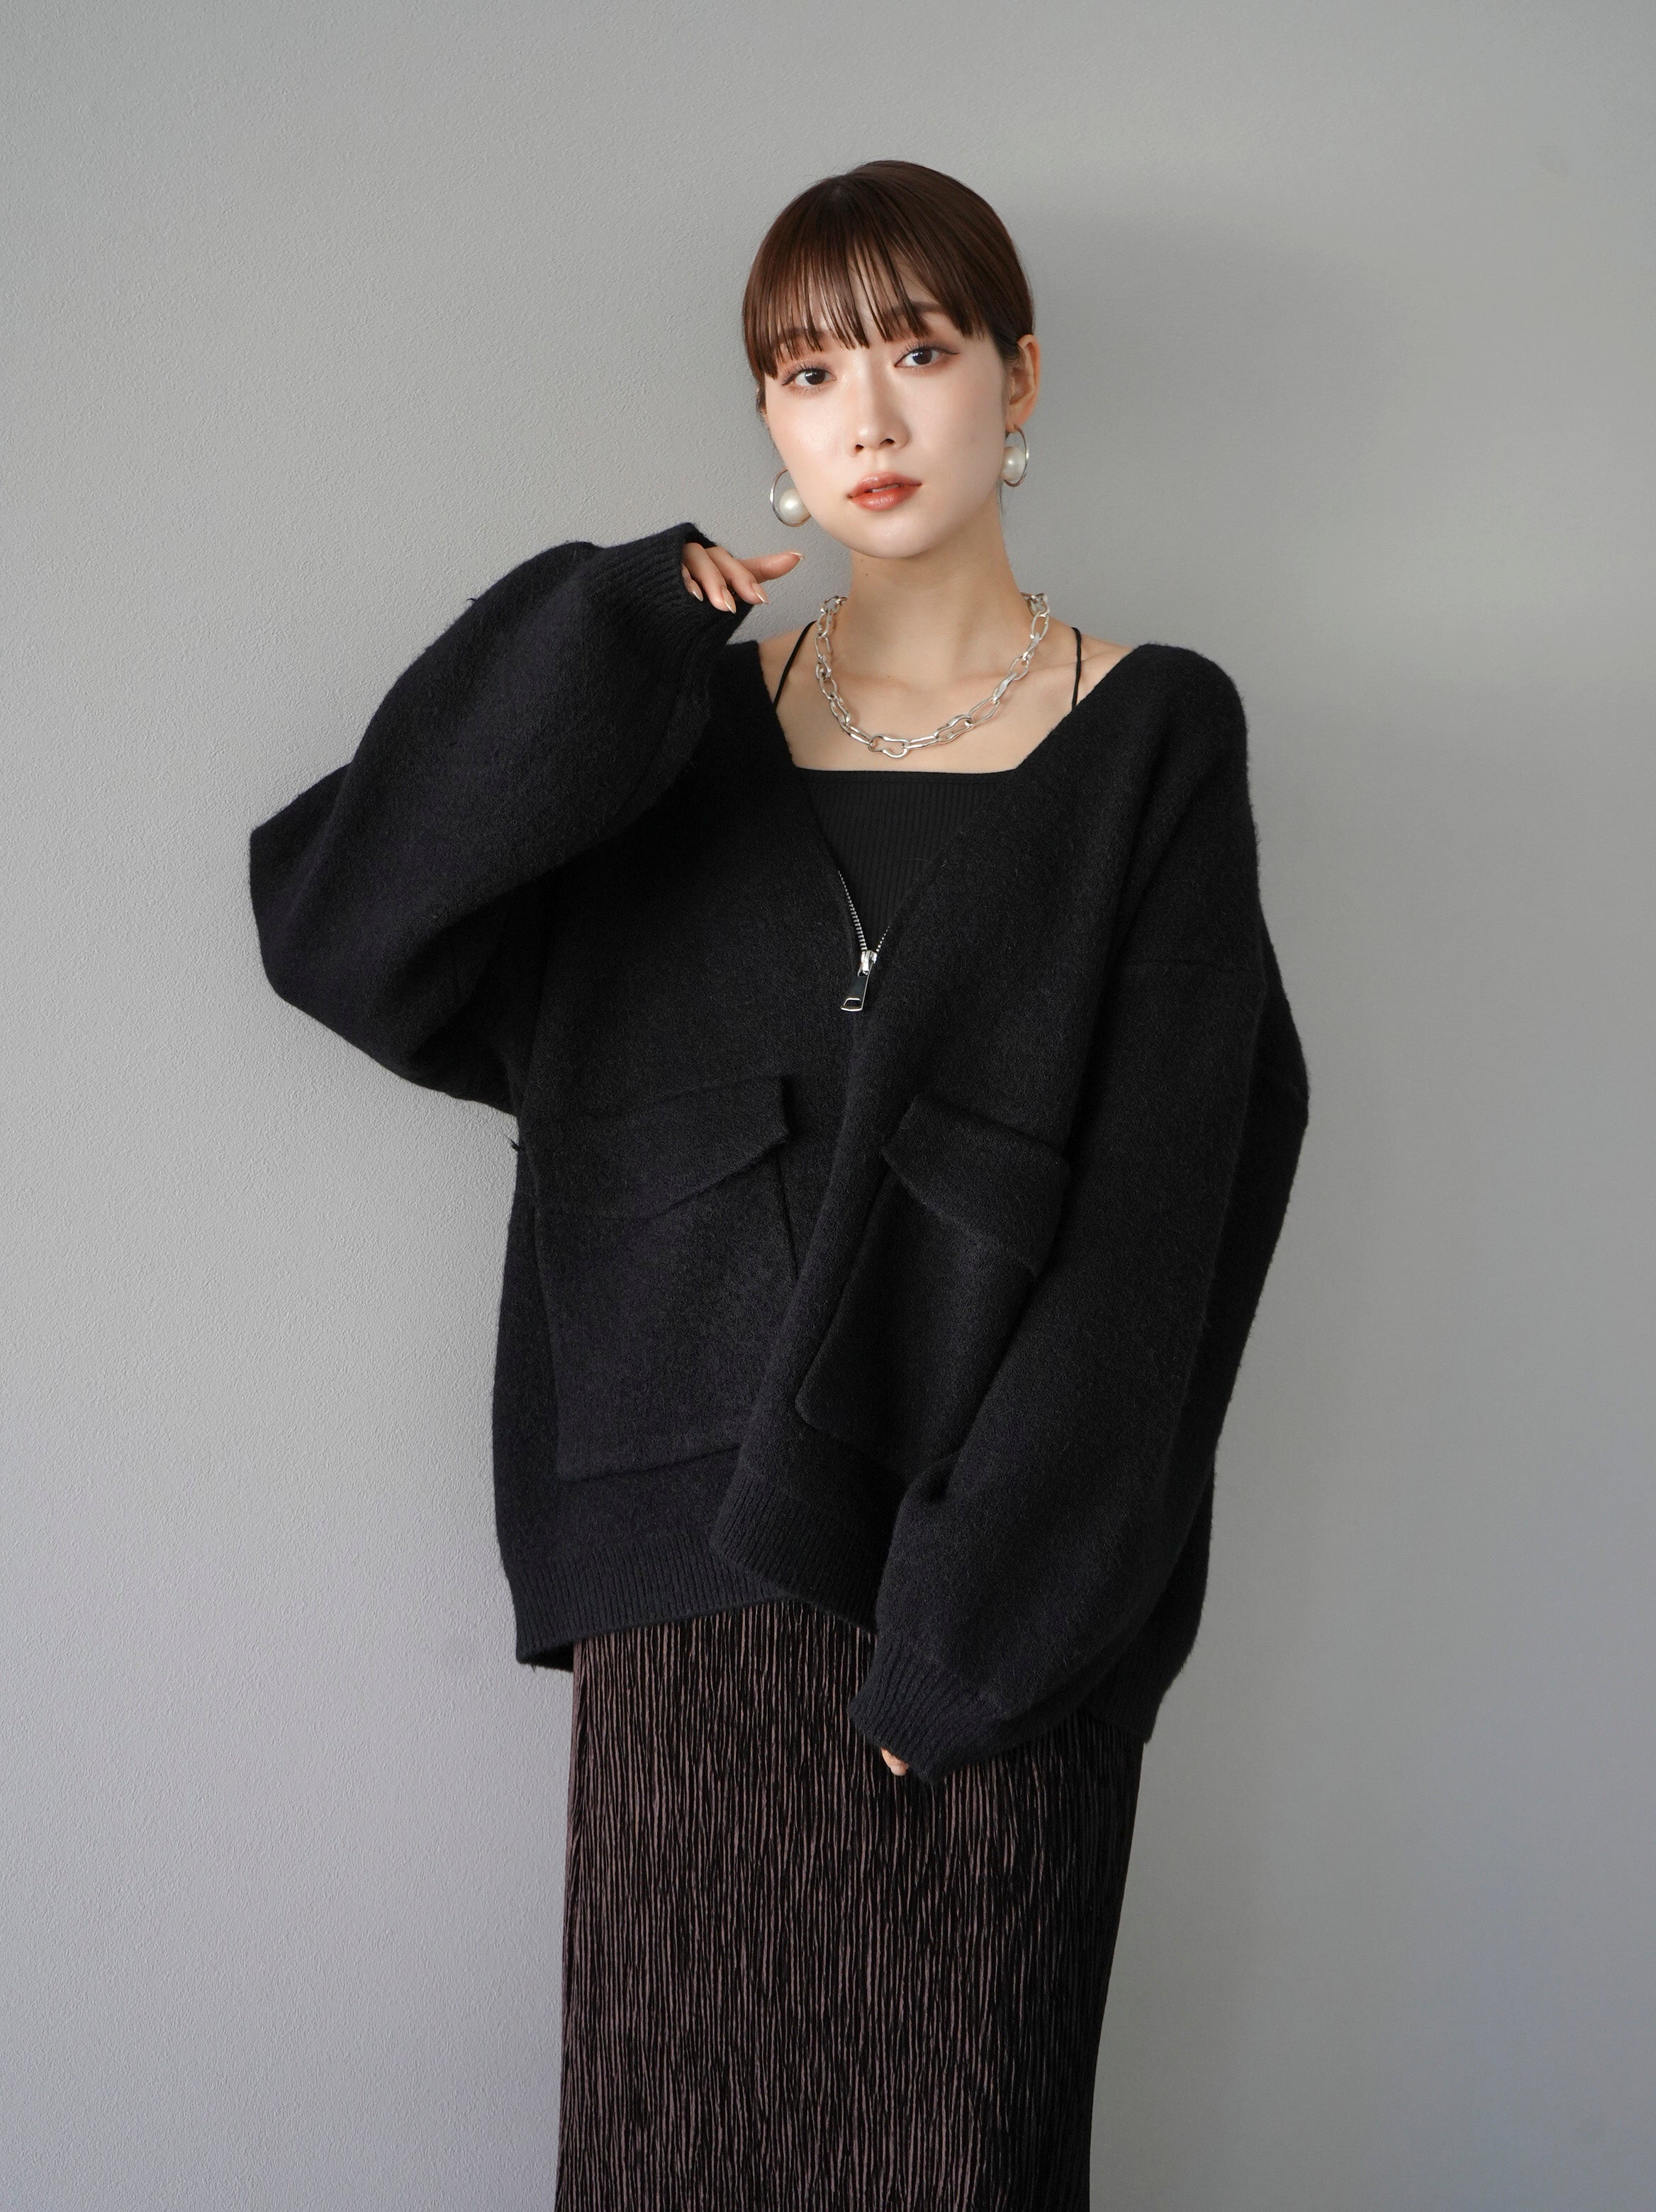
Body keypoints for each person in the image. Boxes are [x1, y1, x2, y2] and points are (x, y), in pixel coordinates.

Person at [248, 159, 1308, 2211]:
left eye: (918, 350)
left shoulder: (1151, 740)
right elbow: (344, 928)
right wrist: (605, 634)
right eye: (811, 371)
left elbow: (1162, 1243)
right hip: (688, 1614)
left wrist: (970, 1663)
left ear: (1017, 378)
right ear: (766, 417)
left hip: (982, 1616)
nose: (869, 415)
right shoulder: (659, 731)